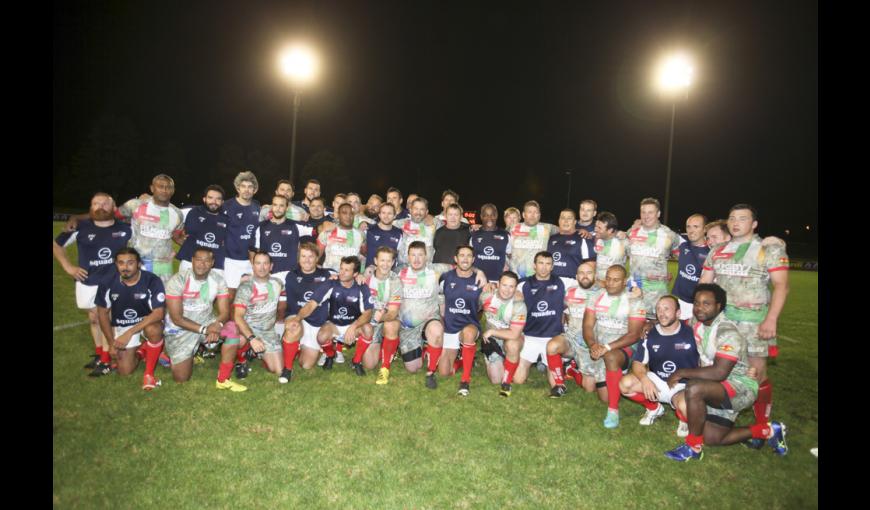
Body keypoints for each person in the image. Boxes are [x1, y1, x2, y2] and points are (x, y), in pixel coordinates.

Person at [663, 283, 787, 461]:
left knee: (694, 389)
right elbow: (676, 324)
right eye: (697, 303)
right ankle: (768, 430)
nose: (699, 308)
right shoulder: (698, 322)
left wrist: (682, 372)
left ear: (719, 306)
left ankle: (693, 448)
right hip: (717, 388)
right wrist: (650, 326)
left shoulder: (727, 332)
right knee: (713, 438)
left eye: (707, 303)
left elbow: (719, 372)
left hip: (739, 386)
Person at [699, 204, 789, 436]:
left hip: (754, 323)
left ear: (754, 224)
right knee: (719, 367)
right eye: (732, 218)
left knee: (757, 373)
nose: (736, 222)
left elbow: (781, 286)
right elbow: (704, 285)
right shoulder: (717, 250)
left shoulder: (768, 249)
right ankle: (722, 412)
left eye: (742, 218)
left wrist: (771, 319)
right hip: (723, 322)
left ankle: (763, 424)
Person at [53, 192, 132, 376]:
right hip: (87, 280)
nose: (100, 207)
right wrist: (68, 267)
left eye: (105, 204)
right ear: (90, 208)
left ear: (114, 208)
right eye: (96, 203)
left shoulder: (126, 229)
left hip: (113, 282)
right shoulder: (80, 227)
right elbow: (57, 245)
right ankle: (99, 353)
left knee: (105, 316)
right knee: (94, 318)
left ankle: (107, 359)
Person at [392, 241, 484, 389]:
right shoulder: (399, 272)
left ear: (426, 256)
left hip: (429, 321)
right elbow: (380, 274)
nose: (417, 259)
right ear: (407, 257)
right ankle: (426, 350)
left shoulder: (437, 270)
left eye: (420, 255)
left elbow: (463, 265)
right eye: (413, 255)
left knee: (436, 330)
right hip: (408, 327)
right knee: (412, 368)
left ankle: (430, 372)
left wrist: (480, 272)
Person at [618, 295, 699, 435]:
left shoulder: (692, 332)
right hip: (658, 382)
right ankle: (654, 408)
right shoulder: (650, 334)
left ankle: (684, 420)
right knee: (625, 384)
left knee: (686, 408)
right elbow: (638, 363)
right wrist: (645, 380)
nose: (662, 313)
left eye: (666, 309)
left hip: (683, 386)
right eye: (659, 309)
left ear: (678, 313)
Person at [163, 248, 242, 390]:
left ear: (212, 263)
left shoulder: (217, 279)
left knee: (232, 331)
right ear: (192, 261)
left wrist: (217, 325)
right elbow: (177, 319)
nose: (202, 264)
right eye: (199, 260)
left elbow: (224, 312)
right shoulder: (177, 280)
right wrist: (205, 330)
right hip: (181, 329)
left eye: (207, 261)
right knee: (181, 379)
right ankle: (167, 353)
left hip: (208, 322)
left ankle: (223, 379)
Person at [582, 264, 646, 428]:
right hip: (600, 346)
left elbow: (634, 334)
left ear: (624, 282)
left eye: (616, 280)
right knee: (600, 394)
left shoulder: (634, 299)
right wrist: (592, 344)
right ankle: (612, 374)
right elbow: (588, 326)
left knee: (610, 358)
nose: (610, 283)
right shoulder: (596, 296)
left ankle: (613, 411)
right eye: (608, 279)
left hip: (625, 347)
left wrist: (607, 348)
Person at [95, 248, 167, 390]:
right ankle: (142, 352)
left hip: (147, 320)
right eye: (121, 263)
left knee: (154, 330)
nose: (125, 267)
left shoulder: (152, 280)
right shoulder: (107, 282)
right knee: (125, 371)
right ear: (116, 264)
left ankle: (148, 374)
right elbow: (102, 313)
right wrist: (111, 343)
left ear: (139, 264)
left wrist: (129, 334)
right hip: (124, 324)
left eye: (130, 263)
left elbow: (158, 313)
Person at [290, 257, 375, 374]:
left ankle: (356, 361)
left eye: (347, 270)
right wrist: (297, 318)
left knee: (368, 329)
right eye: (341, 268)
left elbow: (368, 313)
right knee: (321, 337)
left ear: (355, 273)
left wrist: (353, 326)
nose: (342, 272)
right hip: (333, 325)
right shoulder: (331, 283)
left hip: (354, 325)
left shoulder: (362, 287)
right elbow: (311, 304)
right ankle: (330, 354)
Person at [512, 251, 576, 386]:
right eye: (540, 263)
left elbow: (586, 282)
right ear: (534, 265)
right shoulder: (523, 285)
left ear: (552, 267)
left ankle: (563, 362)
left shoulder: (563, 282)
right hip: (530, 336)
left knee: (556, 384)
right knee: (517, 380)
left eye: (548, 264)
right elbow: (504, 292)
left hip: (552, 338)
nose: (544, 267)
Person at [278, 242, 336, 380]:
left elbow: (348, 277)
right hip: (297, 318)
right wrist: (247, 276)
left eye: (311, 256)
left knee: (306, 364)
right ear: (298, 258)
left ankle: (299, 347)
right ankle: (287, 369)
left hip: (316, 323)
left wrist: (360, 276)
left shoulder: (327, 275)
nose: (307, 260)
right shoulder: (289, 275)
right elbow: (266, 275)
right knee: (294, 326)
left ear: (317, 258)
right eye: (303, 256)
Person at [116, 174, 185, 283]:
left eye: (168, 187)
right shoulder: (135, 205)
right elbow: (114, 217)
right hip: (137, 263)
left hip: (163, 267)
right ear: (152, 188)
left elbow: (176, 235)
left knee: (160, 298)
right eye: (160, 186)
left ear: (173, 190)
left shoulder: (177, 213)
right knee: (134, 297)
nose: (165, 190)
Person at [545, 261, 598, 398]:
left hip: (590, 344)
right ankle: (559, 385)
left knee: (589, 388)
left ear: (595, 275)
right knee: (552, 346)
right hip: (572, 339)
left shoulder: (603, 294)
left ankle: (572, 369)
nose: (584, 276)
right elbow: (563, 312)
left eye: (589, 273)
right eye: (581, 273)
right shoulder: (570, 292)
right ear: (576, 276)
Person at [231, 251, 286, 380]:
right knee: (239, 340)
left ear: (271, 266)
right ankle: (241, 359)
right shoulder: (246, 286)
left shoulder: (278, 283)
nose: (262, 267)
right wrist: (252, 338)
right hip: (247, 330)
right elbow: (238, 316)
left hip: (267, 331)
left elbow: (282, 306)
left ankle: (257, 353)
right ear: (253, 266)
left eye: (266, 263)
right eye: (258, 263)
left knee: (277, 370)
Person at [625, 198, 682, 320]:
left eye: (650, 212)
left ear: (658, 214)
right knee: (633, 327)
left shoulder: (669, 235)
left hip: (657, 293)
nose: (646, 216)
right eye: (643, 212)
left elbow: (683, 254)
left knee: (656, 327)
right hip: (634, 290)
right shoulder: (631, 233)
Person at [439, 246, 484, 396]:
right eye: (462, 255)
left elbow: (484, 306)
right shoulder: (445, 278)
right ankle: (461, 357)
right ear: (456, 259)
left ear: (473, 259)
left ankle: (465, 380)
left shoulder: (480, 280)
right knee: (445, 372)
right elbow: (441, 303)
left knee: (469, 333)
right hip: (450, 327)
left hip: (469, 326)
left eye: (469, 256)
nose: (465, 259)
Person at [478, 271, 527, 396]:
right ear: (498, 284)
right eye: (504, 285)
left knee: (512, 345)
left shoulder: (519, 305)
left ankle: (506, 382)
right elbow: (474, 310)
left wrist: (493, 331)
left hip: (510, 337)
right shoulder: (486, 296)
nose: (507, 290)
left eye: (511, 287)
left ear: (516, 288)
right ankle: (502, 358)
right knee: (495, 380)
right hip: (492, 340)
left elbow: (514, 334)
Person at [362, 246, 404, 385]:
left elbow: (392, 313)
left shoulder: (395, 281)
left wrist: (380, 318)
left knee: (391, 325)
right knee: (368, 365)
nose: (385, 264)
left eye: (388, 261)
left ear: (393, 263)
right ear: (375, 261)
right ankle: (388, 347)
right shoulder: (366, 278)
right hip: (371, 320)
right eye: (382, 260)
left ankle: (385, 367)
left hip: (386, 318)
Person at [252, 195, 315, 284]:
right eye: (275, 205)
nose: (278, 209)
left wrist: (324, 225)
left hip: (289, 275)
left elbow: (316, 232)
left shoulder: (296, 226)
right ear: (271, 206)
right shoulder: (261, 227)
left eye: (281, 206)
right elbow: (254, 251)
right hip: (267, 275)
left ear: (287, 207)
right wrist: (256, 270)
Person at [223, 171, 261, 299]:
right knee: (230, 295)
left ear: (254, 190)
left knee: (249, 295)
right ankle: (227, 320)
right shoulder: (226, 206)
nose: (246, 190)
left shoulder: (257, 207)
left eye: (250, 187)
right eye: (243, 186)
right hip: (231, 259)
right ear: (237, 188)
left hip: (250, 260)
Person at [175, 185, 228, 276]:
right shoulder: (192, 211)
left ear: (222, 202)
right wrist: (178, 237)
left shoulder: (227, 219)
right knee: (186, 289)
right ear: (204, 199)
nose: (214, 202)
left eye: (218, 199)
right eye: (210, 198)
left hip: (215, 265)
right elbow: (172, 216)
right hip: (190, 261)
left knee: (213, 290)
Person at [507, 201, 558, 279]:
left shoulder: (548, 228)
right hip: (515, 278)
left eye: (535, 212)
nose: (532, 215)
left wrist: (581, 230)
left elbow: (566, 229)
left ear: (539, 215)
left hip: (537, 278)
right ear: (523, 214)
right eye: (529, 212)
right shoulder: (512, 228)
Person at [672, 214, 710, 320]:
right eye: (688, 226)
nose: (691, 230)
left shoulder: (711, 251)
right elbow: (664, 233)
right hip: (679, 299)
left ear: (705, 229)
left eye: (696, 226)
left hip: (697, 303)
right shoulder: (683, 243)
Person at [548, 208, 595, 280]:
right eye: (563, 218)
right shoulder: (551, 239)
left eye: (569, 218)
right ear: (559, 221)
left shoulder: (583, 238)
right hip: (551, 283)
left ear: (575, 222)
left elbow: (591, 264)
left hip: (573, 284)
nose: (565, 221)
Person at [469, 203, 511, 283]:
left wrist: (507, 264)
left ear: (497, 216)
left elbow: (511, 255)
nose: (489, 218)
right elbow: (470, 259)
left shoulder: (505, 235)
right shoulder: (474, 236)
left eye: (492, 215)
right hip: (478, 280)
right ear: (481, 216)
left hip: (499, 282)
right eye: (486, 215)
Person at [318, 203, 366, 272]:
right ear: (338, 215)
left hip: (350, 278)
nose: (348, 216)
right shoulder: (328, 231)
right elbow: (317, 255)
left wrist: (361, 273)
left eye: (351, 213)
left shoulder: (361, 234)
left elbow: (364, 255)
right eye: (344, 213)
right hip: (330, 276)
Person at [393, 197, 440, 266]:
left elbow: (451, 224)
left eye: (422, 209)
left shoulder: (434, 224)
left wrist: (433, 218)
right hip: (404, 269)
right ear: (410, 210)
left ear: (426, 212)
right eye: (416, 208)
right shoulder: (400, 224)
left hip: (426, 271)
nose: (418, 212)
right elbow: (385, 223)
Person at [364, 202, 403, 269]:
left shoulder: (399, 233)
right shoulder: (368, 230)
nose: (386, 216)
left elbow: (399, 257)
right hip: (370, 275)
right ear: (379, 214)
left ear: (394, 216)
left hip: (389, 275)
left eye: (389, 213)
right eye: (383, 213)